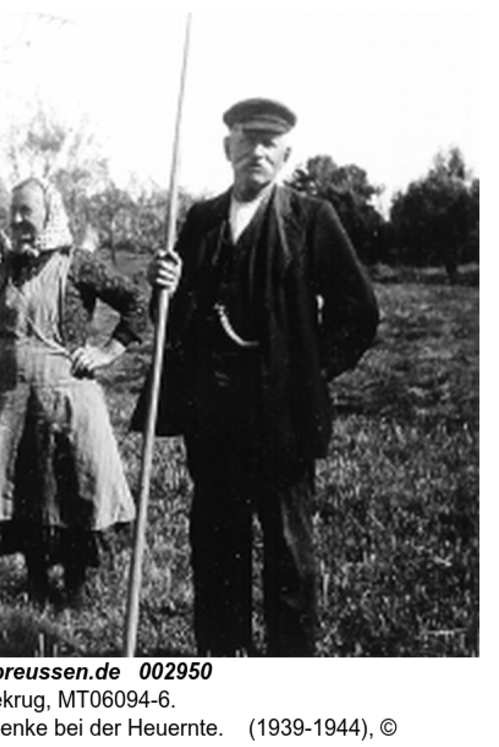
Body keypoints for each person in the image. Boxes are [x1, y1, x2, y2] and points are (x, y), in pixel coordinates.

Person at [135, 98, 379, 656]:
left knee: (289, 555)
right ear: (229, 149)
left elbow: (358, 310)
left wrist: (311, 371)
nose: (258, 151)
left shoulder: (311, 219)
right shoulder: (199, 221)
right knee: (217, 549)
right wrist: (163, 285)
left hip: (282, 420)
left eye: (270, 143)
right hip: (214, 418)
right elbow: (169, 319)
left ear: (286, 154)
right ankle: (223, 665)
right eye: (247, 140)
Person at [0, 177, 146, 608]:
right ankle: (37, 580)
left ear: (49, 214)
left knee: (72, 488)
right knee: (23, 488)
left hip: (67, 400)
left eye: (28, 211)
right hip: (11, 402)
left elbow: (136, 302)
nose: (20, 220)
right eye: (14, 212)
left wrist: (107, 352)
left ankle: (76, 584)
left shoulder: (77, 263)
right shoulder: (0, 265)